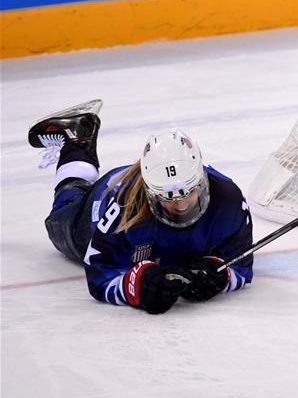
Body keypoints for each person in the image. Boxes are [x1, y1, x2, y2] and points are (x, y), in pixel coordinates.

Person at [28, 99, 253, 314]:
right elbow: (98, 274)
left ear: (202, 180)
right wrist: (135, 285)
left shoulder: (229, 199)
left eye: (190, 191)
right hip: (101, 201)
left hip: (141, 181)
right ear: (149, 193)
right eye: (167, 197)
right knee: (64, 207)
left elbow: (242, 266)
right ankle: (76, 140)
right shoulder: (123, 207)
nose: (182, 206)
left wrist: (221, 276)